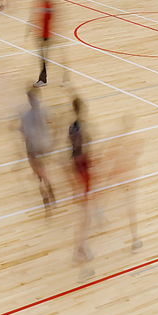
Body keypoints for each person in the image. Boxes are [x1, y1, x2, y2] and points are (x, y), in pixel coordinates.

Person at [19, 87, 57, 210]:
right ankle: (46, 183)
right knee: (43, 168)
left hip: (34, 147)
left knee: (39, 172)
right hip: (46, 144)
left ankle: (44, 187)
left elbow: (24, 135)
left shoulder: (25, 116)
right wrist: (53, 141)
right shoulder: (44, 110)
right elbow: (53, 124)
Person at [68, 97, 94, 262]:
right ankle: (80, 250)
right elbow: (81, 151)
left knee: (86, 212)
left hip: (78, 167)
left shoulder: (72, 127)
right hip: (82, 168)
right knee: (86, 216)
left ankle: (81, 248)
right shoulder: (81, 129)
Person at [32, 0, 57, 86]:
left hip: (45, 36)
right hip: (42, 34)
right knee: (42, 57)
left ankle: (43, 80)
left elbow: (48, 19)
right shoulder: (45, 5)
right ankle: (43, 78)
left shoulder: (48, 7)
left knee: (43, 58)